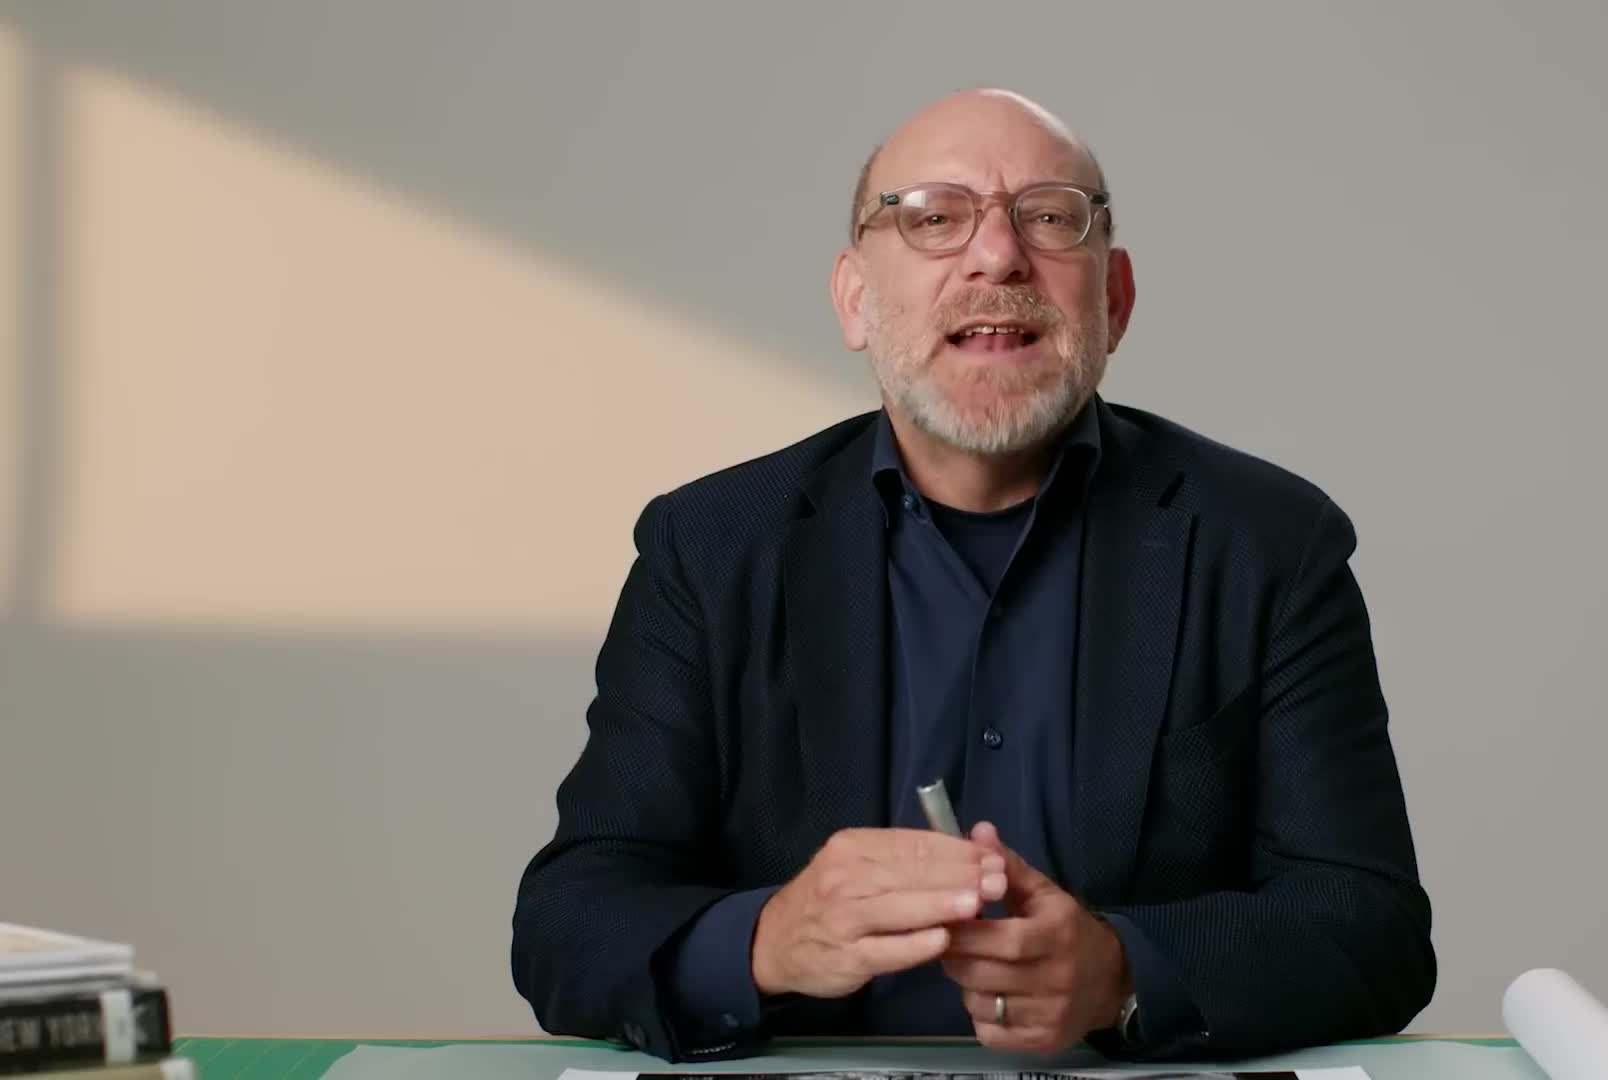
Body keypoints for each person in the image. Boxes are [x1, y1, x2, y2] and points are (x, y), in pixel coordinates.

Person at [510, 87, 1435, 1063]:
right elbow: (569, 922)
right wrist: (767, 942)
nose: (998, 257)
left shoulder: (1271, 543)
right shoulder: (707, 549)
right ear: (857, 300)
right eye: (935, 218)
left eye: (1047, 217)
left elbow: (1368, 926)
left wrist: (1125, 971)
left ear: (1113, 299)